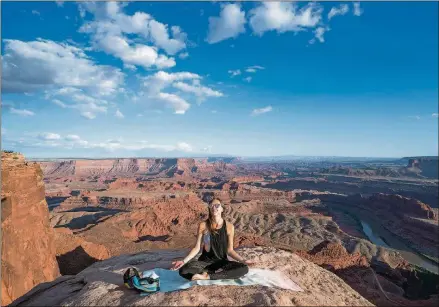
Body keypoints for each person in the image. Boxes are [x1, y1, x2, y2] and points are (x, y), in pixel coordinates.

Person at [170, 198, 255, 280]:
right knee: (183, 271)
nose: (214, 207)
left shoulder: (229, 227)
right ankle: (211, 273)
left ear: (222, 209)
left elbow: (230, 250)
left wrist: (243, 260)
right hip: (204, 263)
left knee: (244, 268)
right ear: (209, 209)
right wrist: (183, 261)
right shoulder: (203, 225)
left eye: (217, 205)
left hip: (221, 262)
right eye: (212, 205)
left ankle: (208, 277)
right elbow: (197, 248)